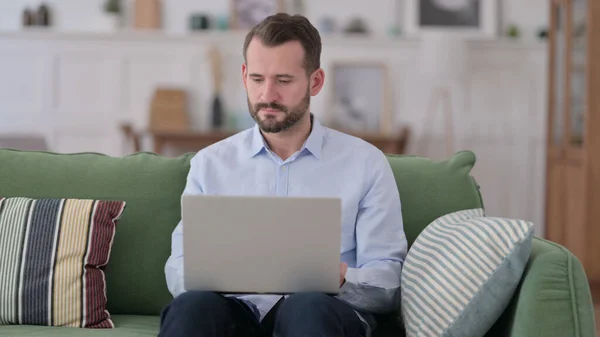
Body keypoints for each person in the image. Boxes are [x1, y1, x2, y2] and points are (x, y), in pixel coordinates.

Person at [158, 13, 407, 337]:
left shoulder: (366, 164)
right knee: (192, 307)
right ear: (245, 75)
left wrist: (343, 278)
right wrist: (210, 272)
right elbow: (178, 269)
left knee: (309, 306)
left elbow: (389, 283)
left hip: (322, 311)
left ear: (315, 81)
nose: (268, 95)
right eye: (258, 79)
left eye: (284, 80)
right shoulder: (210, 164)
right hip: (235, 313)